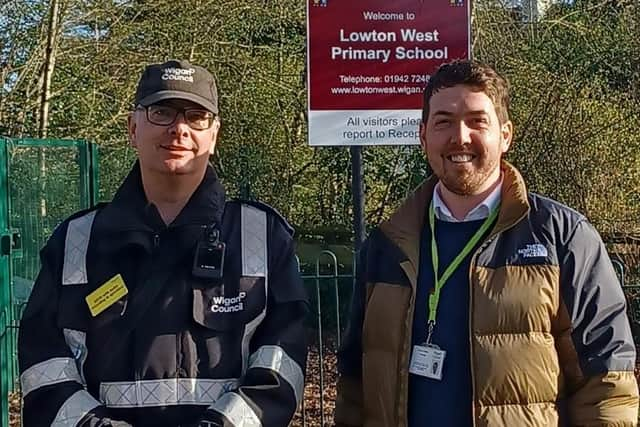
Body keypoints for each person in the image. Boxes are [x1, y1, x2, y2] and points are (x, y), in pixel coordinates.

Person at [334, 60, 639, 426]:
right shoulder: (386, 244)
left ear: (505, 135)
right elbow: (354, 385)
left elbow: (607, 382)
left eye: (477, 121)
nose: (460, 137)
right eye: (443, 122)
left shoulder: (563, 236)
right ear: (423, 136)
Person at [18, 59, 308, 427]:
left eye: (196, 116)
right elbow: (43, 364)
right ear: (132, 128)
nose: (179, 129)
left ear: (214, 136)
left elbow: (283, 362)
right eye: (162, 112)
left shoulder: (264, 237)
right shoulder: (75, 241)